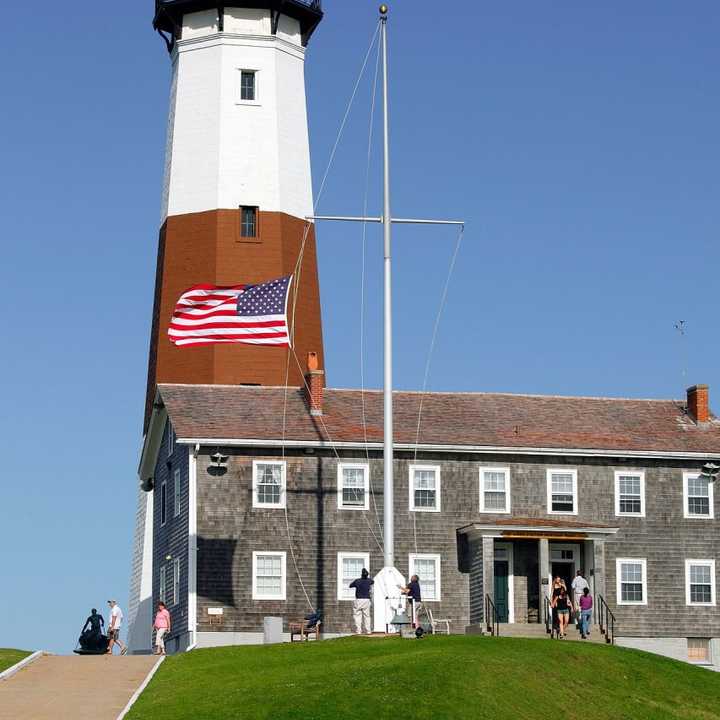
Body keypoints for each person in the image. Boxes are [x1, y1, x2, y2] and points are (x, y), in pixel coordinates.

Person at [349, 568, 374, 635]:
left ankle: (359, 631)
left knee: (357, 615)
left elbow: (350, 585)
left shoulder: (357, 581)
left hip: (359, 600)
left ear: (361, 575)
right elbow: (373, 581)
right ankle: (368, 631)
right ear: (367, 575)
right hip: (366, 600)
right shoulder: (369, 581)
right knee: (367, 616)